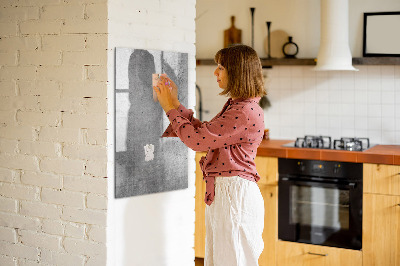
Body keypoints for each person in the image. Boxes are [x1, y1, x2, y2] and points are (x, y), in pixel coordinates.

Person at [153, 44, 266, 266]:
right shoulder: (239, 106)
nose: (215, 72)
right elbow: (205, 134)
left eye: (221, 67)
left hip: (234, 195)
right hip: (228, 193)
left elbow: (197, 141)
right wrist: (175, 104)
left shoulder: (243, 111)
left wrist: (169, 108)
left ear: (237, 71)